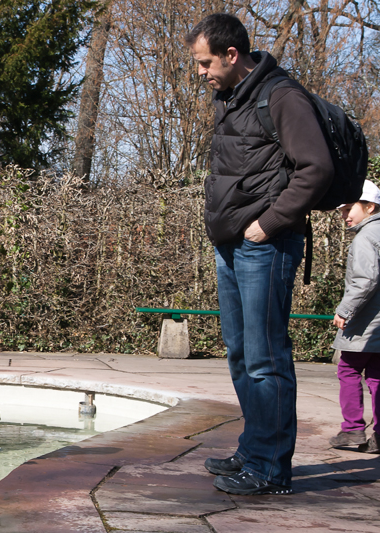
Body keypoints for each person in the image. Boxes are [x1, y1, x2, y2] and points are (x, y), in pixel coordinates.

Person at [185, 14, 334, 495]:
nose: (201, 72)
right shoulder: (230, 100)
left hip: (265, 246)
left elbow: (316, 168)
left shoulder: (283, 96)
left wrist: (266, 224)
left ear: (232, 55)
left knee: (266, 358)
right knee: (241, 354)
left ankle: (270, 468)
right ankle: (253, 450)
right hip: (231, 245)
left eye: (206, 63)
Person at [329, 180, 380, 455]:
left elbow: (365, 280)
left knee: (348, 370)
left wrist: (344, 310)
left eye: (349, 208)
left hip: (367, 322)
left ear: (370, 207)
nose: (344, 215)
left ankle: (352, 431)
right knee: (377, 376)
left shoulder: (366, 237)